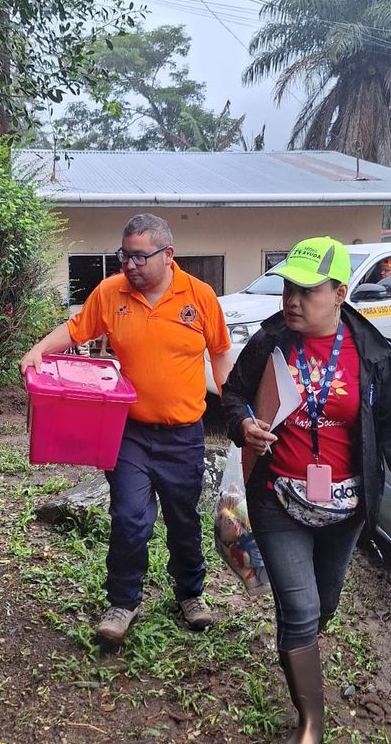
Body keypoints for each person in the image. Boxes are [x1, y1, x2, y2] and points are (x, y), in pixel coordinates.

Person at [221, 236, 391, 744]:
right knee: (298, 609)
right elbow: (230, 395)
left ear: (340, 292)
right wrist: (243, 423)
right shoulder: (270, 342)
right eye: (288, 288)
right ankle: (310, 723)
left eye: (307, 291)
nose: (292, 300)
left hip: (345, 510)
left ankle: (302, 646)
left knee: (321, 607)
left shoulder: (373, 355)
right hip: (278, 498)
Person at [21, 214, 233, 644]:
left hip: (184, 434)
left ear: (167, 255)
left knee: (183, 520)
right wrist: (38, 349)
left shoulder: (200, 296)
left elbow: (221, 356)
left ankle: (191, 595)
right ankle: (122, 602)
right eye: (125, 255)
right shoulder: (111, 292)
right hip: (130, 432)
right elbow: (76, 328)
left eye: (139, 256)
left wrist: (239, 415)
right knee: (129, 519)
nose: (130, 265)